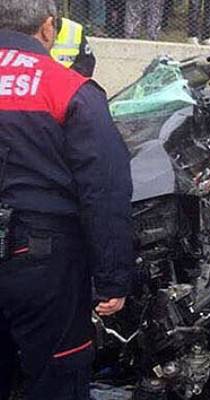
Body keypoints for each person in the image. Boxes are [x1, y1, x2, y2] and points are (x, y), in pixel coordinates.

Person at [0, 1, 134, 399]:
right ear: (47, 28)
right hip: (43, 260)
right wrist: (112, 278)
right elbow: (105, 191)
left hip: (35, 251)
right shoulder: (70, 88)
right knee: (58, 374)